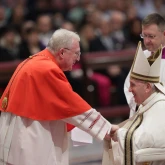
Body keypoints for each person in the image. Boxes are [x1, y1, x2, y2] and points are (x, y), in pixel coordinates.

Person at [0, 29, 118, 165]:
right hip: (30, 132)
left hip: (21, 129)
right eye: (76, 53)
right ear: (62, 52)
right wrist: (106, 128)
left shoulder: (37, 62)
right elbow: (71, 104)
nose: (78, 58)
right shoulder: (46, 69)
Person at [103, 42, 165, 165]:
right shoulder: (149, 104)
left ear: (148, 87)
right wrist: (118, 130)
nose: (129, 89)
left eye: (133, 85)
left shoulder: (162, 106)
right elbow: (142, 132)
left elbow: (154, 139)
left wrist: (120, 134)